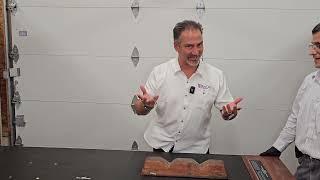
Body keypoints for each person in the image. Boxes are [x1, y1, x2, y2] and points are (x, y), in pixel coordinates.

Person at [131, 20, 242, 154]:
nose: (196, 52)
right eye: (189, 46)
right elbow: (138, 108)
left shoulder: (216, 76)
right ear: (176, 46)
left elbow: (228, 112)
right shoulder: (160, 72)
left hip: (197, 151)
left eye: (199, 45)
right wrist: (146, 105)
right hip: (161, 147)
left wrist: (230, 113)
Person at [261, 23, 320, 179]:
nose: (312, 52)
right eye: (313, 45)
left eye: (319, 46)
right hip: (305, 165)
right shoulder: (309, 82)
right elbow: (295, 117)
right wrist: (277, 147)